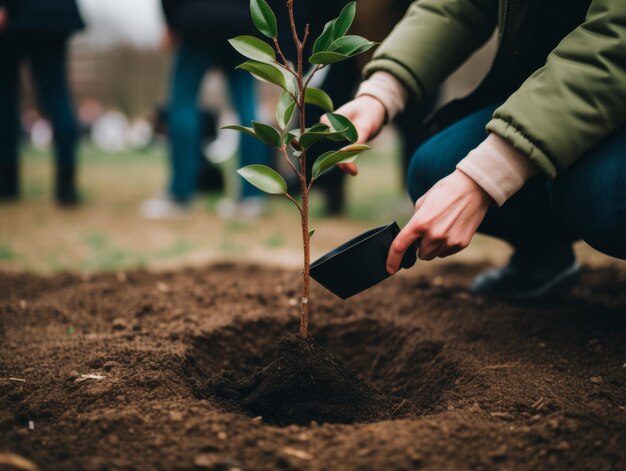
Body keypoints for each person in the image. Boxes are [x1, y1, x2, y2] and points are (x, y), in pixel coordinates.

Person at [331, 0, 626, 299]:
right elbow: (458, 5)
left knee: (601, 195)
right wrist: (380, 94)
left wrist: (486, 176)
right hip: (561, 95)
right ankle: (544, 258)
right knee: (436, 167)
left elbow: (616, 41)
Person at [141, 0, 271, 220]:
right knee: (247, 105)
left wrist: (172, 23)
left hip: (196, 17)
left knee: (183, 102)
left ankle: (179, 195)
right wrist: (266, 28)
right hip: (243, 20)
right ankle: (252, 196)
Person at [0, 0, 84, 205]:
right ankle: (67, 188)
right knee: (58, 96)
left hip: (15, 17)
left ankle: (6, 185)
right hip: (56, 13)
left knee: (5, 99)